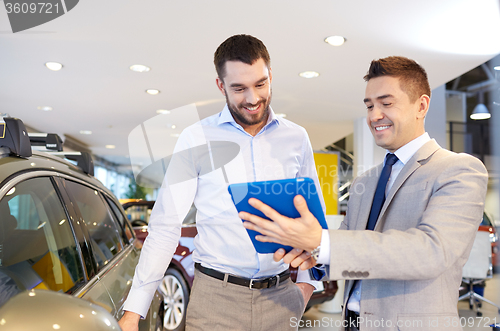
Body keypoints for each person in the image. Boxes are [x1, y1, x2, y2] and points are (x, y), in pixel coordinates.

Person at [241, 56, 488, 331]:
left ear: (421, 105)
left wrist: (324, 241)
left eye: (386, 103)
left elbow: (431, 251)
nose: (374, 115)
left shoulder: (459, 170)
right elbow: (348, 249)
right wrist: (315, 255)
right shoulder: (366, 182)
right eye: (370, 105)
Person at [119, 34, 324, 331]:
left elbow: (312, 220)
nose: (252, 99)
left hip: (282, 299)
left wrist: (306, 287)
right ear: (220, 85)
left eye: (260, 84)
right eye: (239, 88)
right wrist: (133, 312)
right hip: (216, 301)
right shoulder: (196, 138)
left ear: (270, 76)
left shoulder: (296, 138)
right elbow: (165, 227)